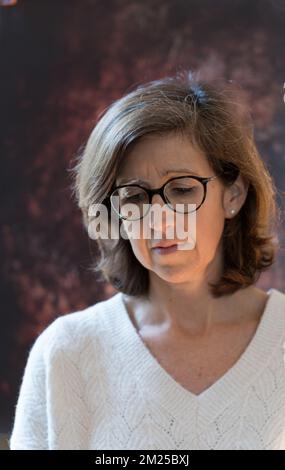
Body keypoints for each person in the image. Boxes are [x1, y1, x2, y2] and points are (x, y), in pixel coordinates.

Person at [10, 71, 285, 450]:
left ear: (233, 195)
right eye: (135, 197)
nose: (159, 219)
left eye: (183, 189)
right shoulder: (66, 354)